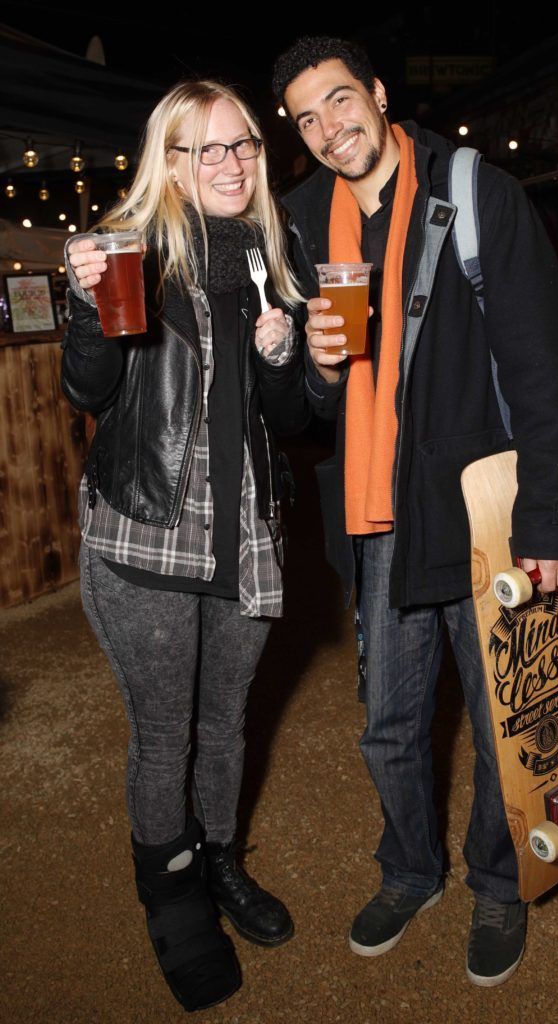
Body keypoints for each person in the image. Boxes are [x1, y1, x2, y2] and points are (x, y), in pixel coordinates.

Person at [272, 37, 558, 986]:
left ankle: (497, 880)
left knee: (504, 720)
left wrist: (553, 522)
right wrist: (319, 369)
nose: (330, 129)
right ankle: (410, 869)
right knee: (390, 721)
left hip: (480, 508)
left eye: (339, 101)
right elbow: (297, 409)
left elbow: (544, 364)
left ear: (375, 93)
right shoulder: (298, 224)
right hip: (377, 514)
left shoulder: (470, 191)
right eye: (306, 118)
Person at [61, 79, 308, 1012]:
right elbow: (87, 392)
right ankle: (172, 902)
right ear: (167, 160)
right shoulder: (133, 256)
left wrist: (287, 359)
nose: (229, 164)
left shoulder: (270, 266)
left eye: (241, 143)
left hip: (245, 543)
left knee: (227, 725)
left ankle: (219, 863)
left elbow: (289, 421)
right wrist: (85, 308)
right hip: (148, 537)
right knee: (165, 735)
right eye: (203, 149)